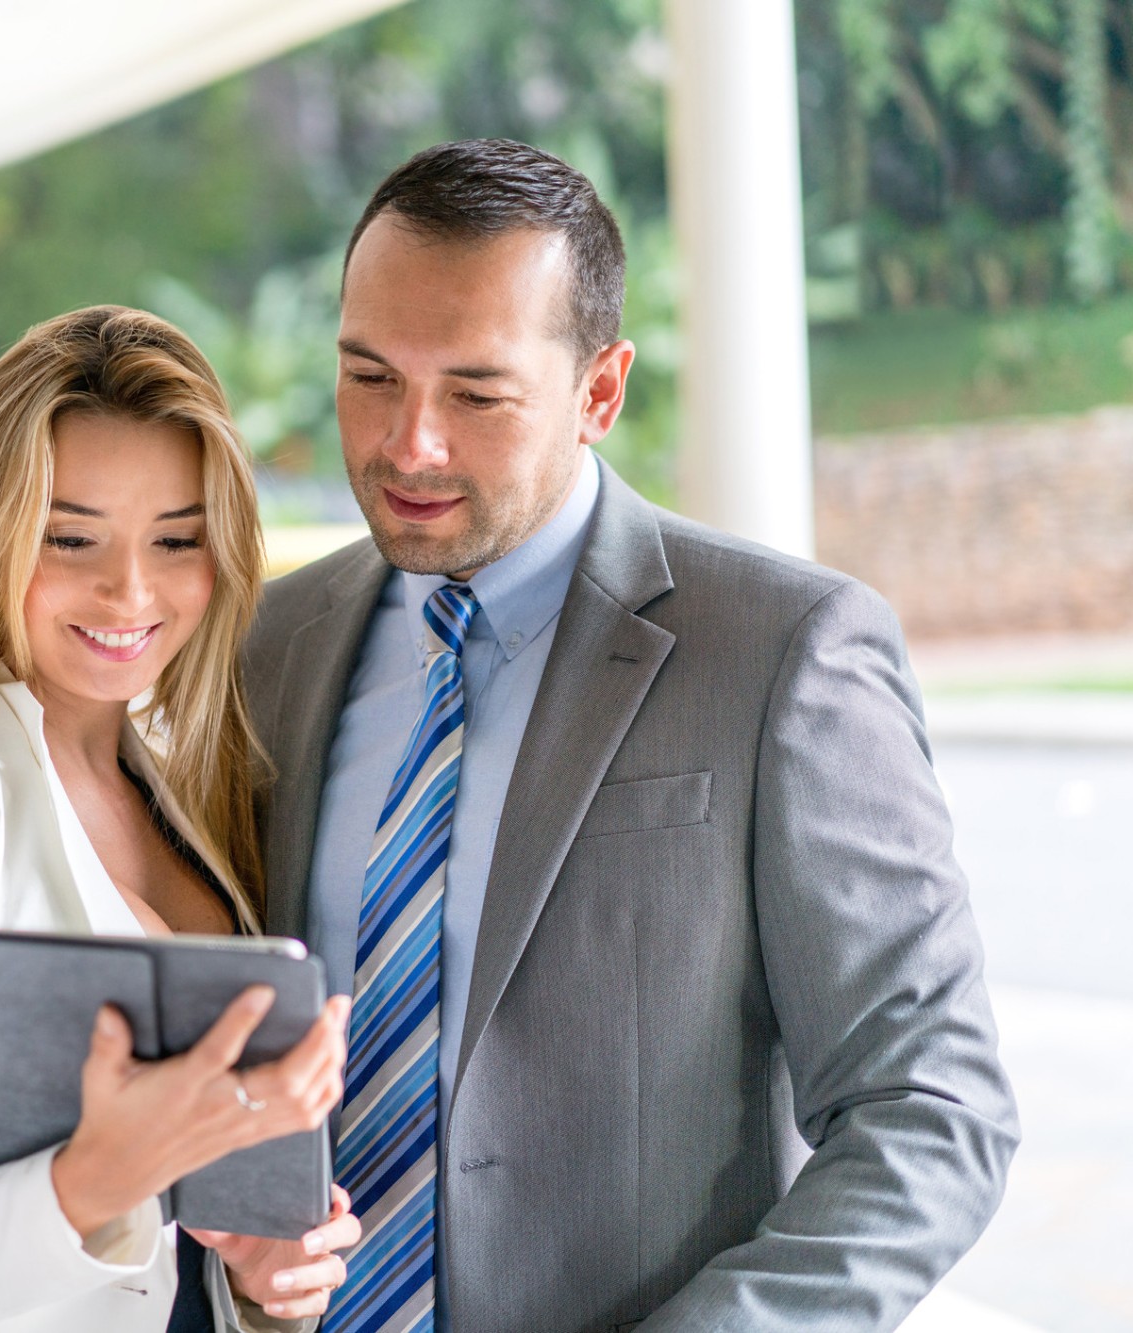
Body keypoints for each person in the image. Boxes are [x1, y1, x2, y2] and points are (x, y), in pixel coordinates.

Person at [242, 139, 1019, 1333]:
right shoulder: (267, 643)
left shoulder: (783, 650)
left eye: (475, 393)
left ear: (598, 392)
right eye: (369, 376)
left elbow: (931, 1108)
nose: (409, 445)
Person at [0, 306, 360, 1333]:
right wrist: (100, 1174)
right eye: (71, 538)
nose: (129, 589)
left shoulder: (180, 782)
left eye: (175, 539)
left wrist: (266, 1282)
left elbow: (179, 1255)